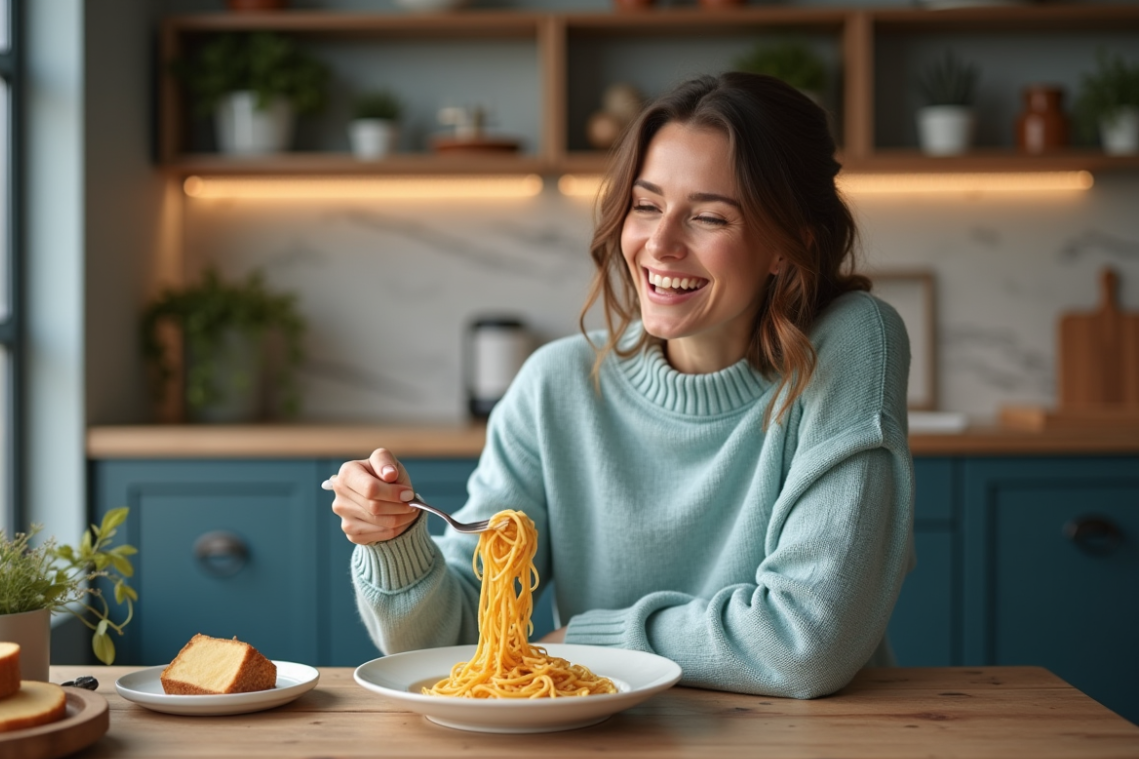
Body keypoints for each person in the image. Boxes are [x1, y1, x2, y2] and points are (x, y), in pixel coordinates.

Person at [327, 72, 914, 699]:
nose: (660, 245)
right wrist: (394, 542)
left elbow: (805, 641)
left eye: (710, 217)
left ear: (789, 243)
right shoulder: (556, 384)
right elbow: (454, 641)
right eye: (646, 205)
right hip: (608, 746)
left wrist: (586, 642)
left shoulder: (850, 342)